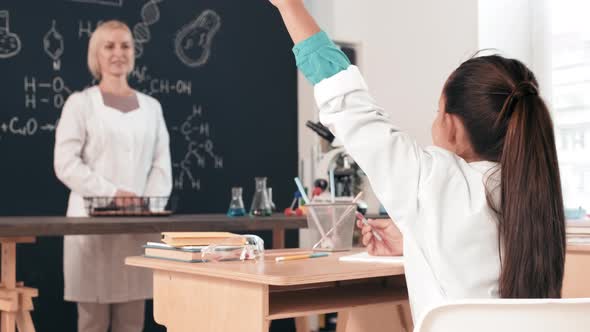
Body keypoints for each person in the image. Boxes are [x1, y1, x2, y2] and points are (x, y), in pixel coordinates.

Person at [269, 0, 566, 322]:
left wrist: (289, 6)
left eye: (438, 110)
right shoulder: (535, 195)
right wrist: (414, 240)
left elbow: (347, 102)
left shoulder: (433, 180)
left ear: (451, 125)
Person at [54, 20, 172, 332]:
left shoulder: (152, 108)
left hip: (137, 227)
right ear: (97, 55)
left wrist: (145, 205)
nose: (118, 53)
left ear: (134, 53)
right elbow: (65, 162)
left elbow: (162, 166)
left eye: (125, 45)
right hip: (91, 227)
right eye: (109, 46)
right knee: (91, 321)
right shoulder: (80, 104)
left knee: (133, 321)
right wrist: (112, 194)